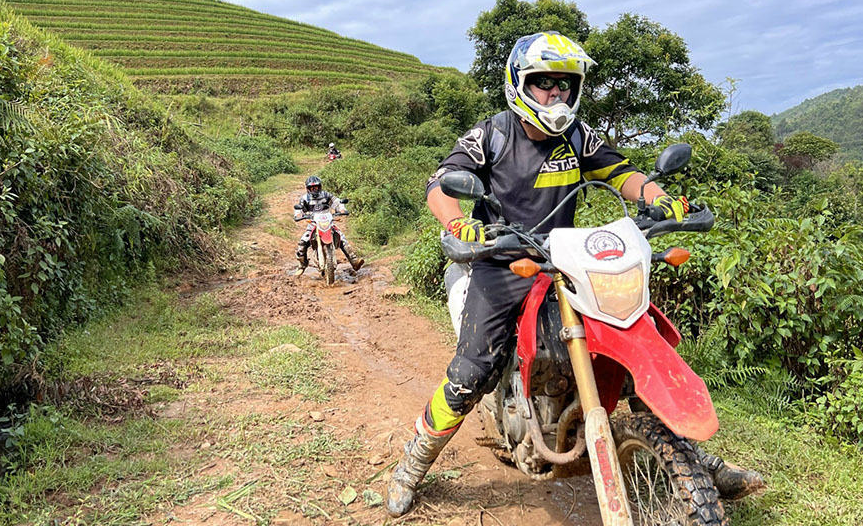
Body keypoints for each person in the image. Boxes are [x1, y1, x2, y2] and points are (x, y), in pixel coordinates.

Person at [386, 31, 763, 517]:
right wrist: (460, 222)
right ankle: (413, 464)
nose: (556, 94)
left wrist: (656, 197)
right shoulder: (493, 134)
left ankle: (696, 460)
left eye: (565, 85)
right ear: (519, 84)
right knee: (471, 372)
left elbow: (620, 173)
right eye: (544, 83)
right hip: (503, 262)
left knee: (634, 341)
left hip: (561, 259)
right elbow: (441, 183)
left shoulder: (578, 136)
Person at [294, 175, 363, 272]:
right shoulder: (305, 199)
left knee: (342, 238)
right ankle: (302, 264)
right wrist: (298, 215)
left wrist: (342, 209)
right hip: (313, 224)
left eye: (316, 187)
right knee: (302, 243)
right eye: (312, 188)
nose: (314, 189)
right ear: (308, 189)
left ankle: (354, 260)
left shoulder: (326, 195)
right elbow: (299, 208)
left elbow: (336, 202)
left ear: (320, 187)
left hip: (328, 223)